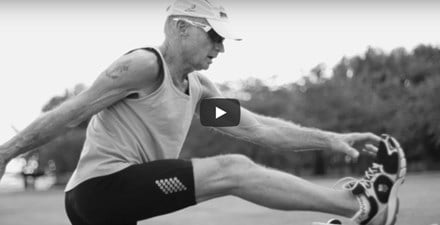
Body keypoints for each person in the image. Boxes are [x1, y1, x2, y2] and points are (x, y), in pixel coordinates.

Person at [0, 0, 406, 225]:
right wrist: (5, 153)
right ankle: (359, 205)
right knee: (230, 168)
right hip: (97, 192)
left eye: (224, 40)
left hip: (115, 210)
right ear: (179, 27)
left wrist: (330, 140)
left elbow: (261, 130)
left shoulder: (198, 91)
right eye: (213, 36)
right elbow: (71, 113)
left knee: (236, 162)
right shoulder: (145, 66)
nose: (220, 48)